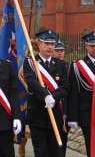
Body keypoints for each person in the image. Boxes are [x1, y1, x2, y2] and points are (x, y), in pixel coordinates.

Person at [23, 29, 69, 157]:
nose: (50, 47)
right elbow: (31, 82)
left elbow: (65, 87)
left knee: (55, 153)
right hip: (38, 116)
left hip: (56, 115)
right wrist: (45, 95)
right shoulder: (30, 62)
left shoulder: (60, 64)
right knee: (41, 153)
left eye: (52, 44)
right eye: (46, 43)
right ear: (38, 44)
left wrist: (53, 97)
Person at [68, 31, 95, 157]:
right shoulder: (77, 66)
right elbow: (74, 94)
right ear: (86, 46)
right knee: (91, 147)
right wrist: (73, 117)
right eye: (92, 46)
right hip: (87, 114)